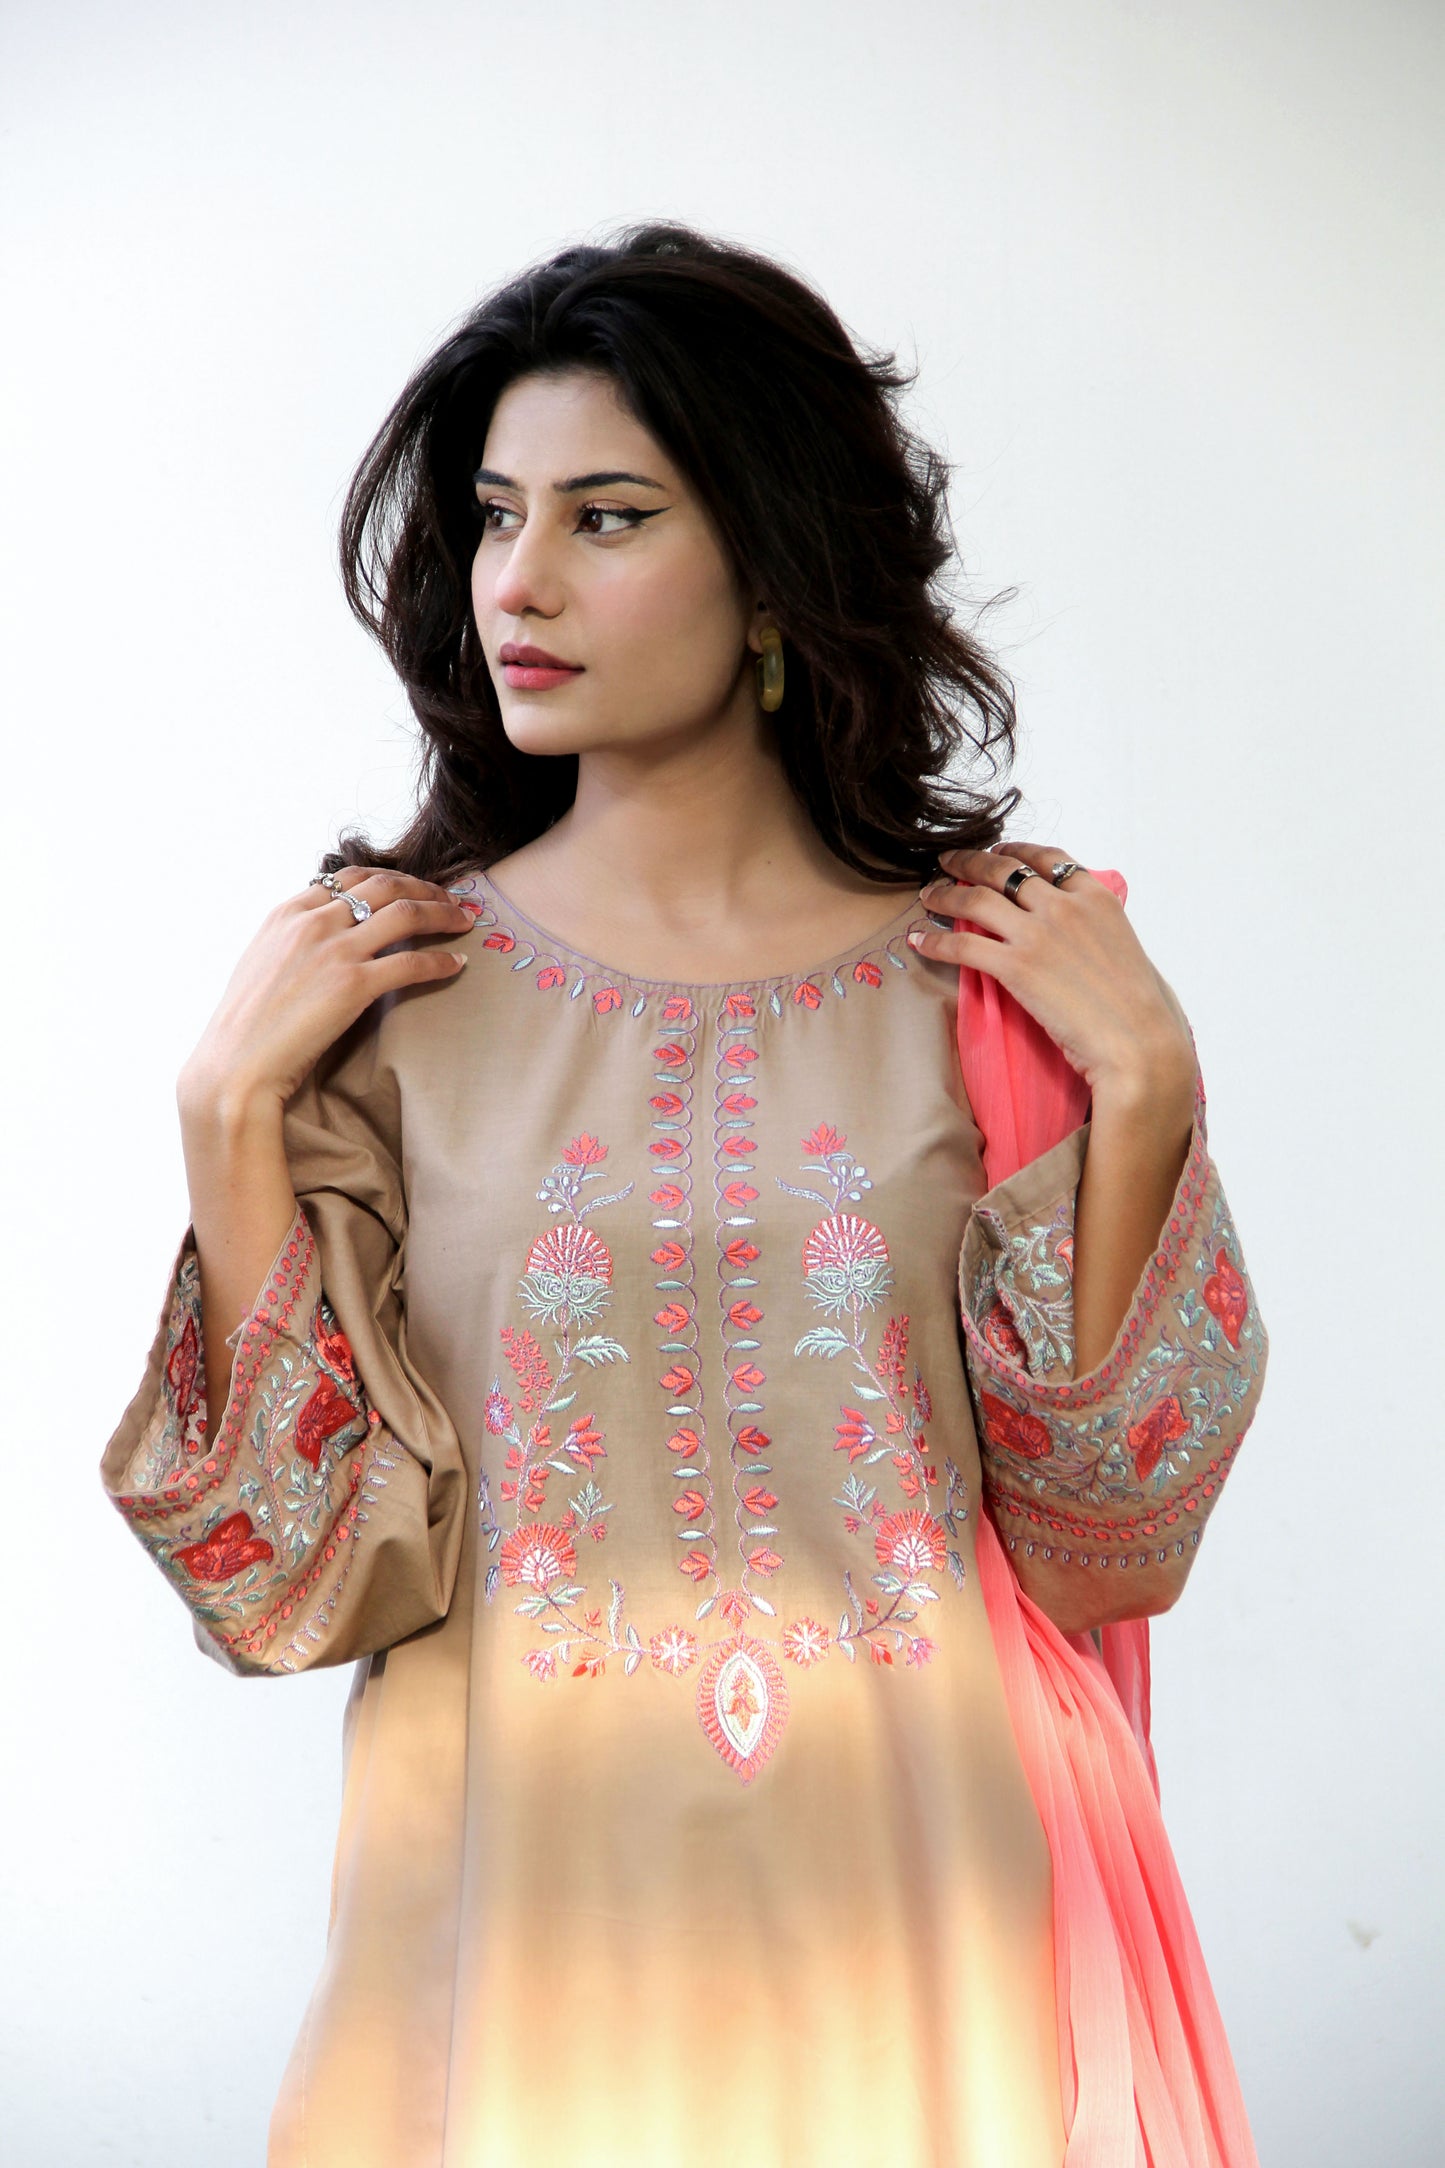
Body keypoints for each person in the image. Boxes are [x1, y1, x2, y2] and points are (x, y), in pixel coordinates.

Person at [101, 222, 1268, 2167]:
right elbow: (287, 1587)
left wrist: (1146, 1086)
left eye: (607, 517)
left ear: (773, 576)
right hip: (517, 1941)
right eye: (493, 518)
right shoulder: (385, 996)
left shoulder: (993, 980)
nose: (519, 583)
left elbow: (1106, 1548)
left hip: (927, 1921)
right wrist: (226, 1109)